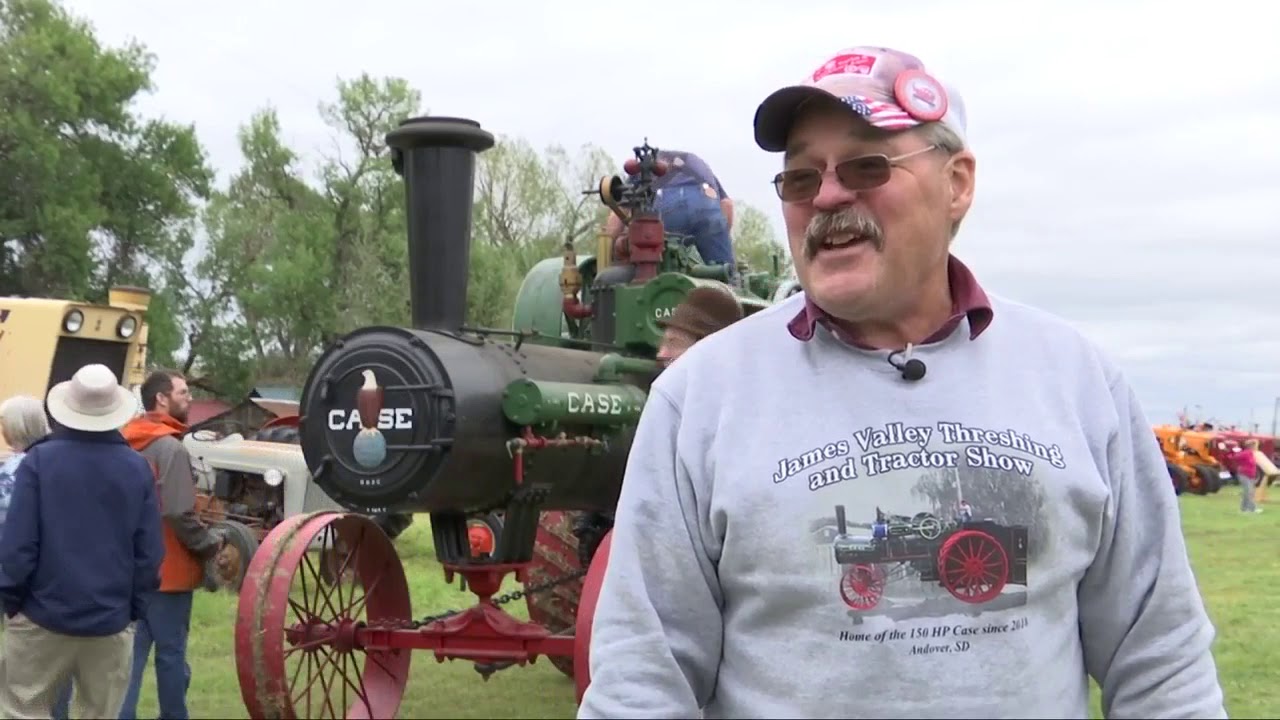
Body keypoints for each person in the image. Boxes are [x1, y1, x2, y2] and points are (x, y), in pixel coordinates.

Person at [579, 45, 1226, 718]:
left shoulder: (1080, 382)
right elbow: (640, 685)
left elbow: (1163, 667)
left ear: (957, 183)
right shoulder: (699, 399)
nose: (827, 195)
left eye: (867, 166)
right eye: (800, 178)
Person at [0, 365, 165, 719]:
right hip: (110, 620)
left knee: (24, 712)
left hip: (40, 616)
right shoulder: (137, 468)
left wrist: (13, 601)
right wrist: (132, 611)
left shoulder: (39, 462)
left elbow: (19, 545)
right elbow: (149, 553)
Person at [572, 285, 745, 567]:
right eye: (662, 342)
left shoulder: (731, 424)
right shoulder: (671, 406)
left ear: (707, 348)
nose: (661, 354)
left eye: (674, 343)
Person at [118, 369, 226, 720]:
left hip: (129, 571)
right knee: (171, 658)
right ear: (161, 399)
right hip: (171, 573)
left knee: (129, 663)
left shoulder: (125, 442)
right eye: (183, 392)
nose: (190, 398)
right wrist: (209, 544)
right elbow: (179, 511)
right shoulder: (170, 448)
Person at [0, 395, 75, 719]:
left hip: (15, 576)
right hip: (58, 577)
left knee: (23, 670)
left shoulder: (13, 471)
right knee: (57, 665)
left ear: (14, 427)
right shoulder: (62, 464)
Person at [604, 148, 737, 269]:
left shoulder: (641, 169)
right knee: (723, 273)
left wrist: (606, 253)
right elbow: (727, 205)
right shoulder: (697, 164)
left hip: (667, 207)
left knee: (653, 269)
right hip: (708, 205)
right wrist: (720, 236)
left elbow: (618, 214)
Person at [1225, 440, 1261, 514]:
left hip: (1250, 475)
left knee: (1249, 492)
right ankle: (1252, 509)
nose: (1256, 447)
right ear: (1251, 446)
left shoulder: (1251, 453)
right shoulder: (1246, 453)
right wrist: (1229, 453)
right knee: (1248, 492)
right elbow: (1234, 457)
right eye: (1255, 445)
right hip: (1244, 474)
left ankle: (1243, 509)